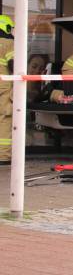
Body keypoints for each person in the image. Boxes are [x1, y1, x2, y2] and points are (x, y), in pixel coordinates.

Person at [0, 15, 15, 166]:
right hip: (3, 85)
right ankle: (3, 156)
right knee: (4, 118)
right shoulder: (8, 43)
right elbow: (14, 65)